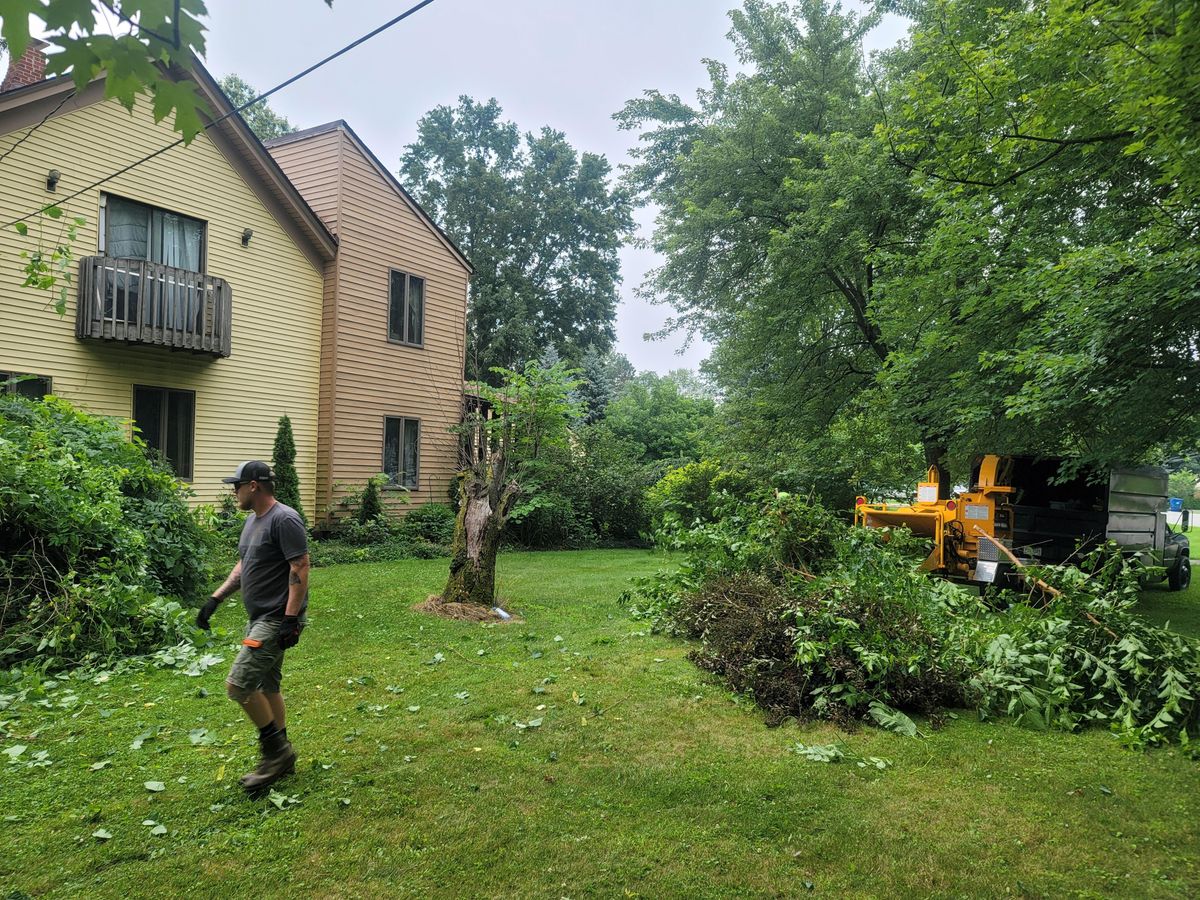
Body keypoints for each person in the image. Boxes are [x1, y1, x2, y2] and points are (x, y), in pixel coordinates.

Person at [196, 460, 310, 791]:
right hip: (259, 617)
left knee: (239, 685)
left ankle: (276, 753)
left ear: (254, 486)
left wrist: (290, 619)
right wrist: (215, 599)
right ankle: (283, 751)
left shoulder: (284, 519)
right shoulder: (252, 522)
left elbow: (300, 565)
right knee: (267, 686)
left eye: (237, 485)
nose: (234, 491)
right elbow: (245, 565)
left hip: (276, 619)